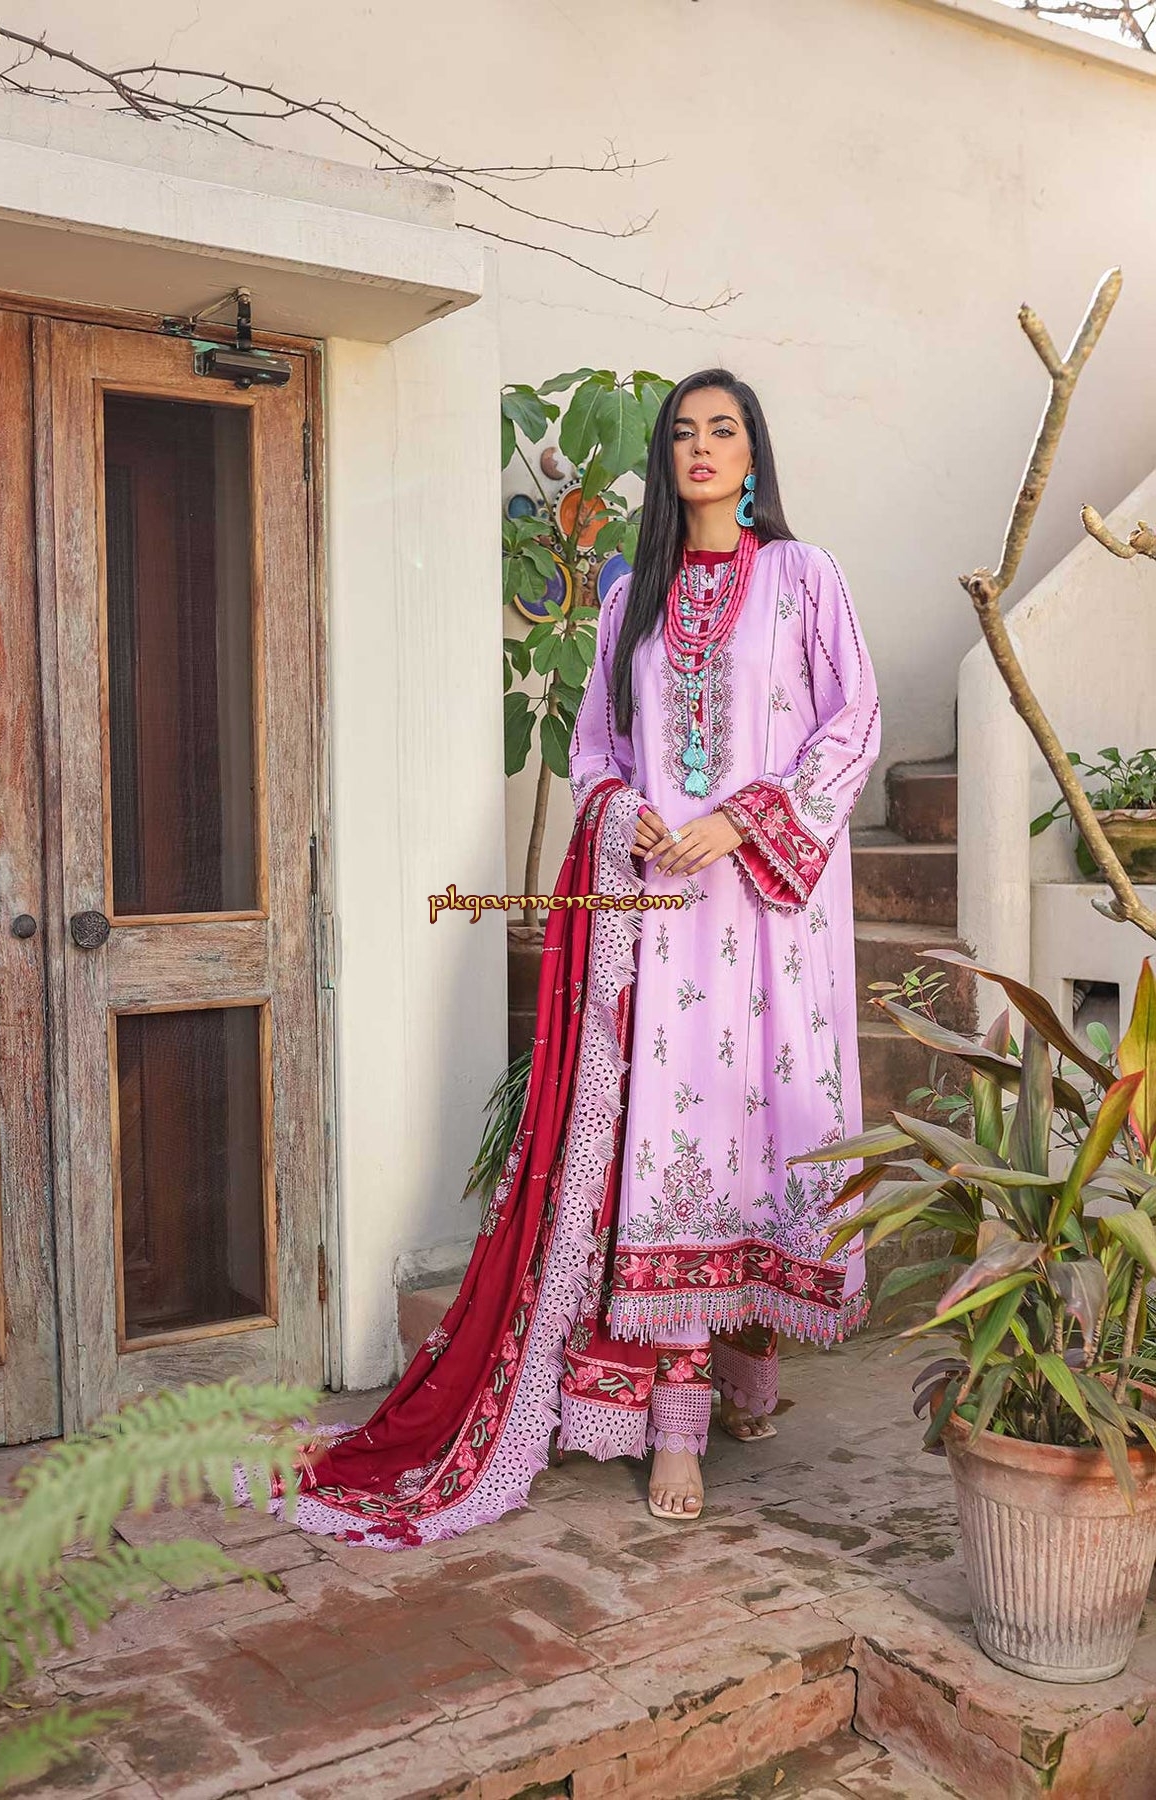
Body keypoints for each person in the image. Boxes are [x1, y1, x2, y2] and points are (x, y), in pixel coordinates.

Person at [236, 367, 880, 1548]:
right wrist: (624, 810)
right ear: (666, 457)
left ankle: (750, 1369)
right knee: (677, 1145)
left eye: (723, 430)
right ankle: (676, 1420)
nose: (701, 448)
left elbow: (854, 726)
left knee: (765, 1127)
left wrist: (745, 819)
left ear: (753, 454)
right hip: (661, 916)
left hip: (768, 913)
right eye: (682, 433)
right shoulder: (631, 594)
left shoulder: (804, 578)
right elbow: (593, 751)